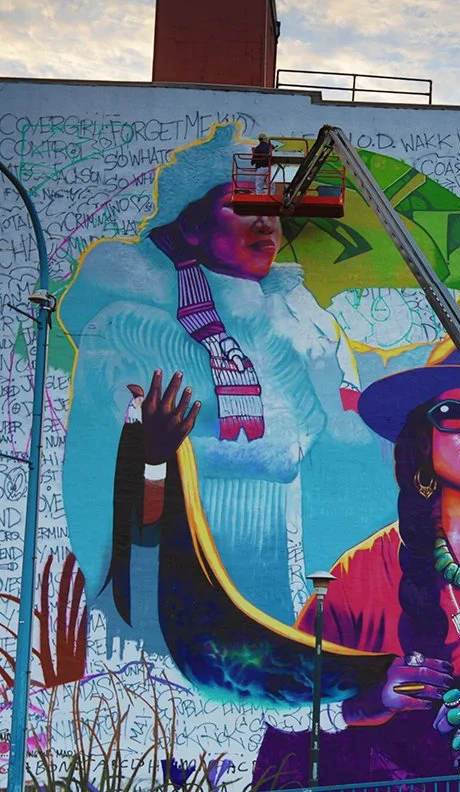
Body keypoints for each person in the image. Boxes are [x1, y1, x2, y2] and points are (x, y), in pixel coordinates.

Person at [140, 331, 460, 783]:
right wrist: (374, 696)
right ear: (421, 441)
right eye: (453, 414)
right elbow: (301, 707)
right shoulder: (359, 573)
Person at [59, 126, 387, 648]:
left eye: (274, 211)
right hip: (170, 589)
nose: (267, 223)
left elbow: (335, 463)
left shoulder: (296, 331)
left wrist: (328, 396)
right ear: (191, 225)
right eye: (242, 205)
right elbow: (93, 476)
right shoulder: (125, 330)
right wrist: (170, 456)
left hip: (275, 582)